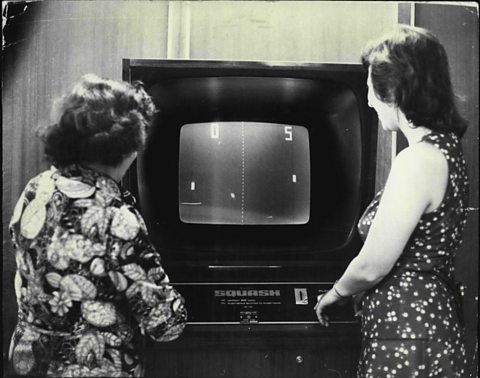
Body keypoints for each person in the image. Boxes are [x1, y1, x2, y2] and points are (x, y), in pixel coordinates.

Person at [314, 25, 469, 377]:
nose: (368, 100)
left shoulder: (416, 161)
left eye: (371, 88)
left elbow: (373, 265)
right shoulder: (447, 151)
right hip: (431, 329)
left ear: (395, 90)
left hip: (407, 336)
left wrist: (335, 295)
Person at [8, 74, 187, 377]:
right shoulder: (116, 219)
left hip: (31, 365)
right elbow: (166, 325)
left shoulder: (35, 189)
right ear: (128, 145)